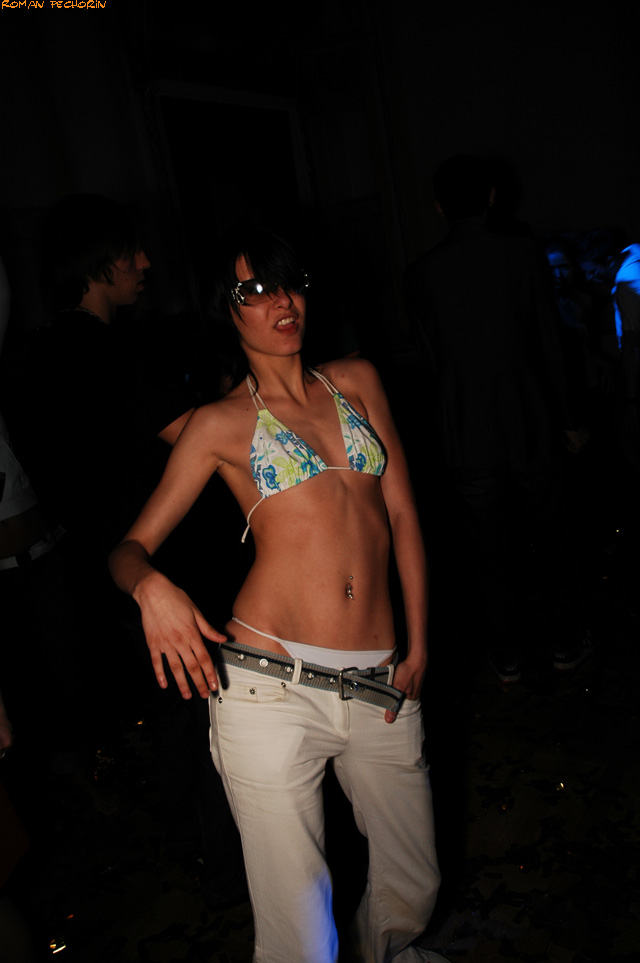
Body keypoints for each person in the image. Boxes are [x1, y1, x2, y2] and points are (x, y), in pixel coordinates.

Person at [109, 228, 443, 963]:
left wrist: (418, 644)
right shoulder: (218, 423)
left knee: (413, 885)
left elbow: (404, 515)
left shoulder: (357, 379)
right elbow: (127, 551)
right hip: (269, 687)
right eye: (254, 291)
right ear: (225, 310)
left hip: (380, 679)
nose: (280, 302)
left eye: (289, 284)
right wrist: (151, 587)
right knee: (300, 928)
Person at [404, 155, 591, 683]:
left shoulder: (420, 274)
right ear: (491, 196)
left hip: (465, 430)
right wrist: (568, 418)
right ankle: (563, 640)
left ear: (439, 206)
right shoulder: (522, 254)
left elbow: (429, 362)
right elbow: (550, 344)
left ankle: (507, 652)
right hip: (530, 422)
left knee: (487, 549)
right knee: (550, 538)